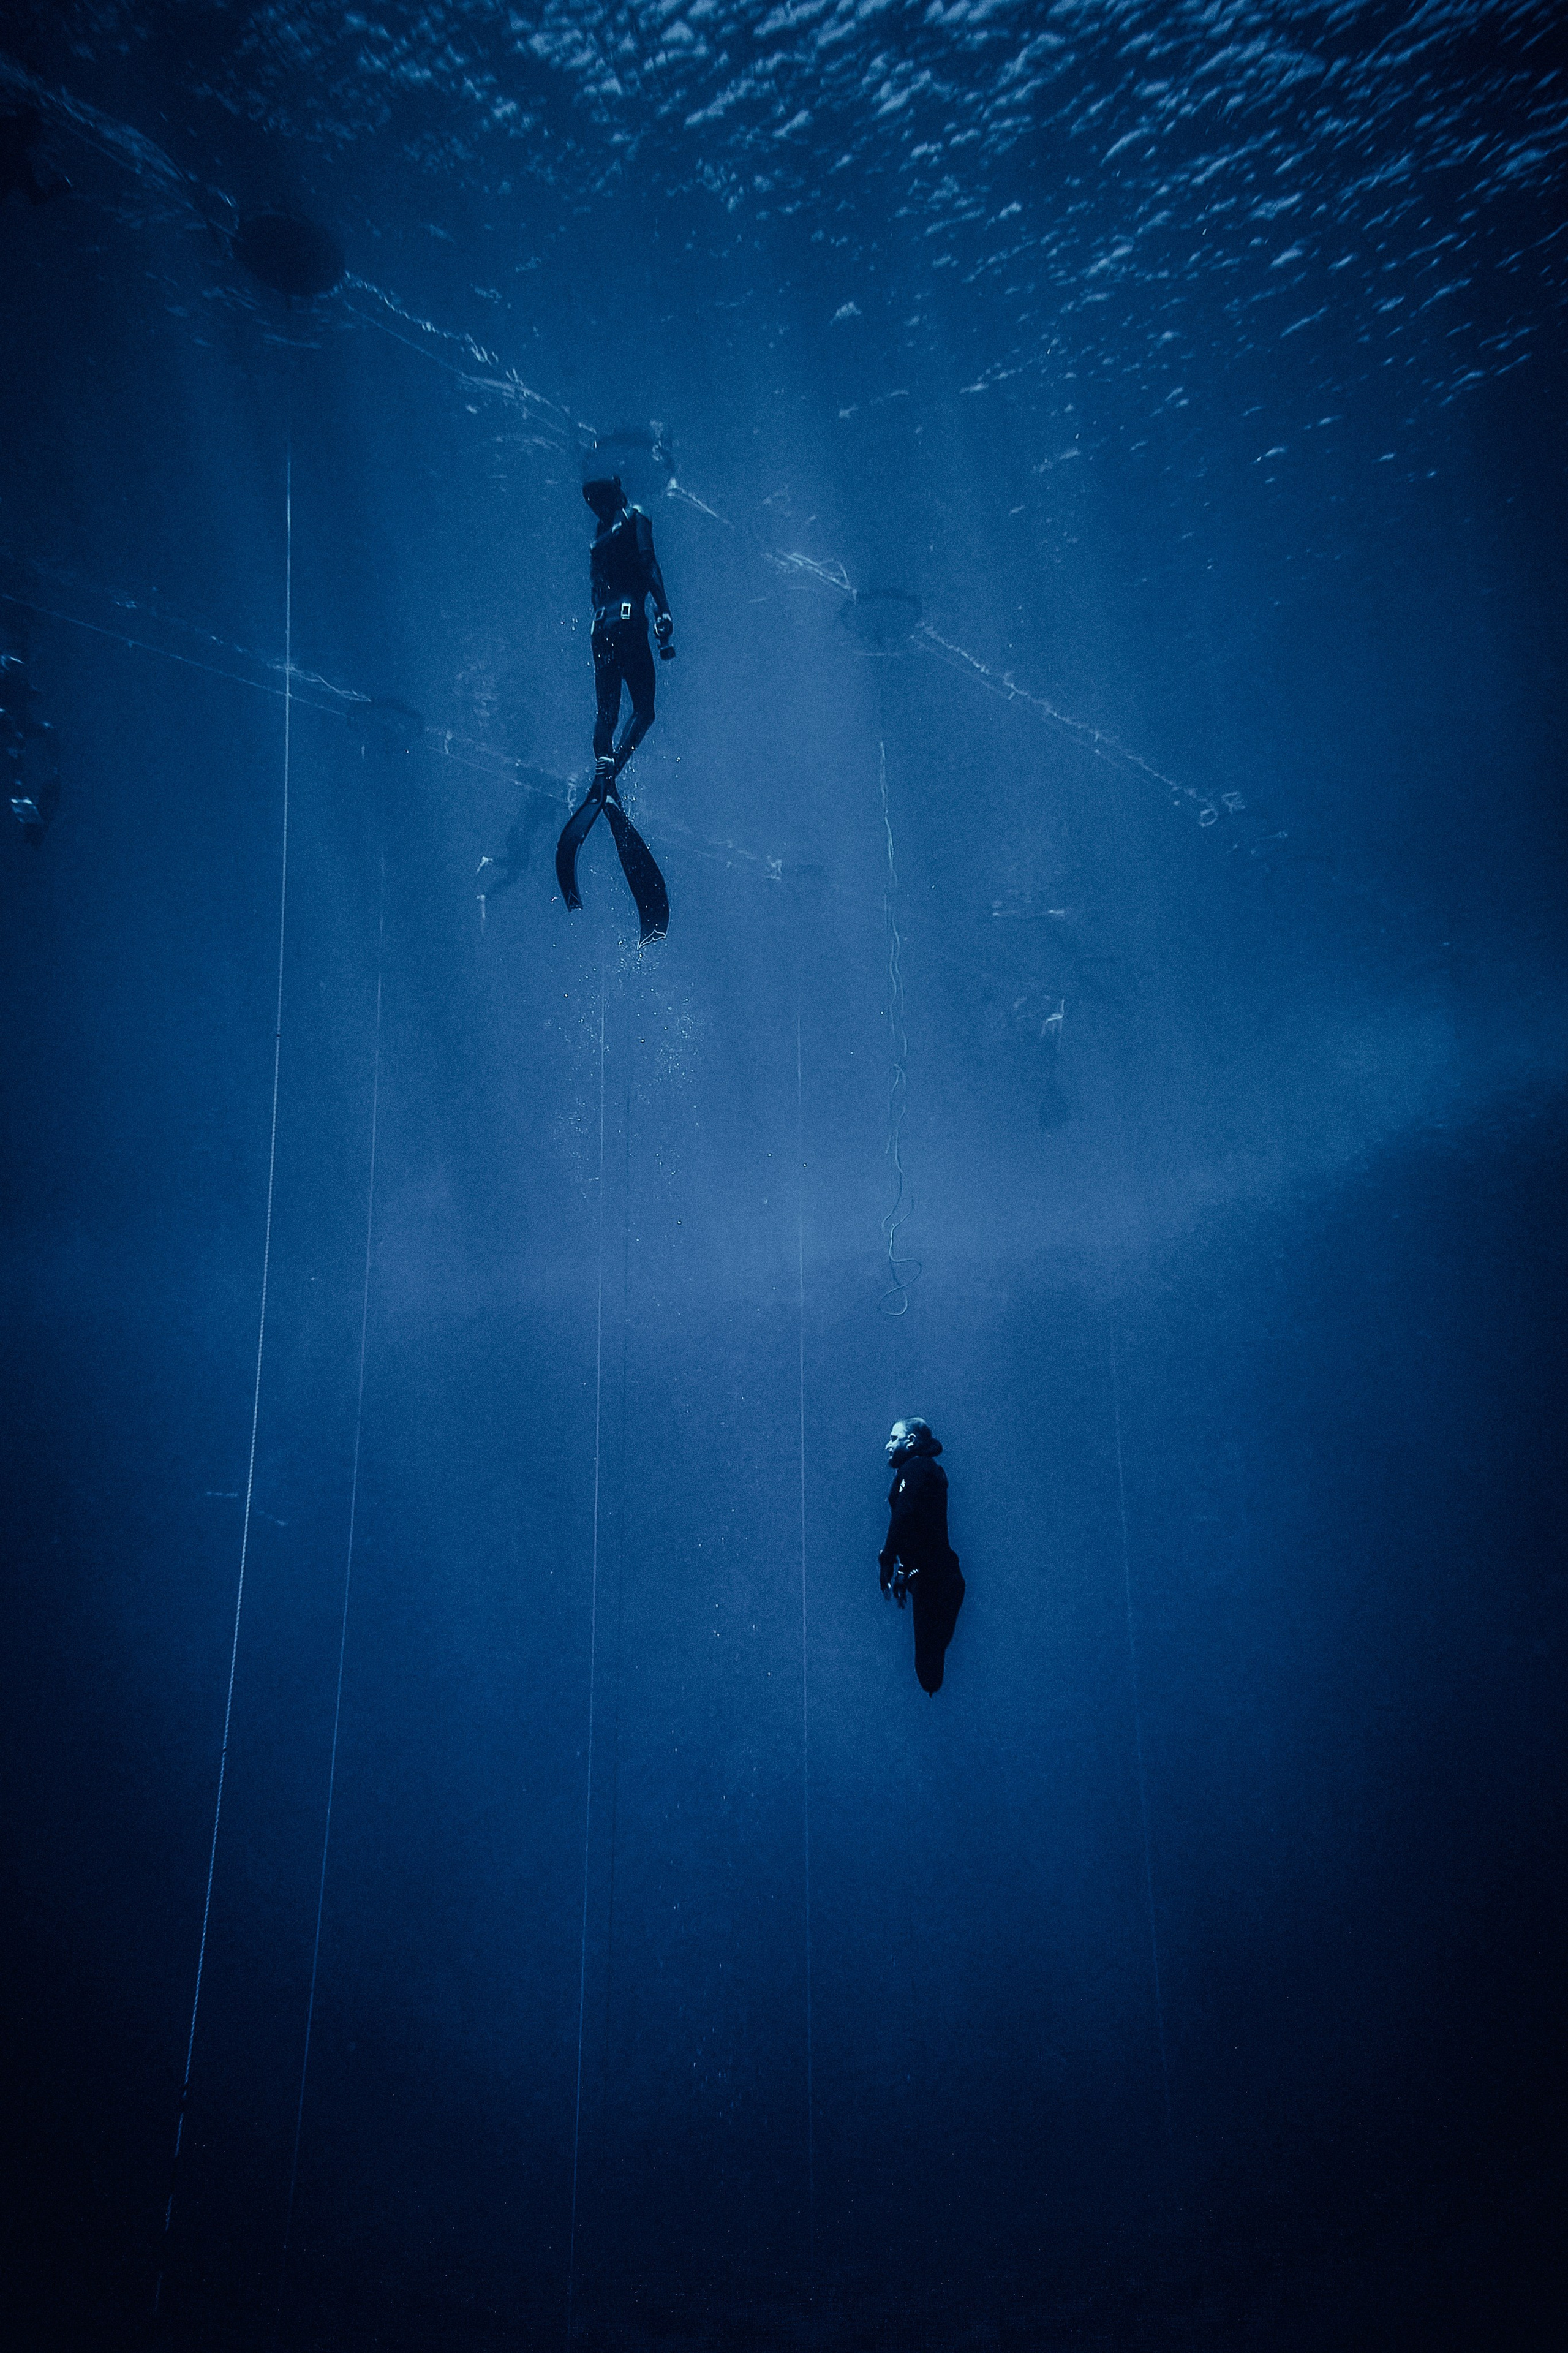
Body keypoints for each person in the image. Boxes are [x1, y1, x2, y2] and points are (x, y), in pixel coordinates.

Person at [554, 474, 674, 942]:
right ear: (620, 491)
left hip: (599, 627)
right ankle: (609, 779)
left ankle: (603, 773)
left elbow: (595, 591)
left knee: (606, 714)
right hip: (628, 619)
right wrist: (663, 611)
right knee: (644, 710)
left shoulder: (598, 538)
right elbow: (649, 563)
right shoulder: (635, 516)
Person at [879, 1419, 965, 1694]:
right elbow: (920, 1527)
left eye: (894, 1438)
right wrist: (904, 1569)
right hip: (941, 1576)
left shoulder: (914, 1468)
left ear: (911, 1442)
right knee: (929, 1670)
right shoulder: (926, 1470)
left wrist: (888, 1560)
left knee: (928, 1671)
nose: (888, 1445)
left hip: (933, 1580)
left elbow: (904, 1515)